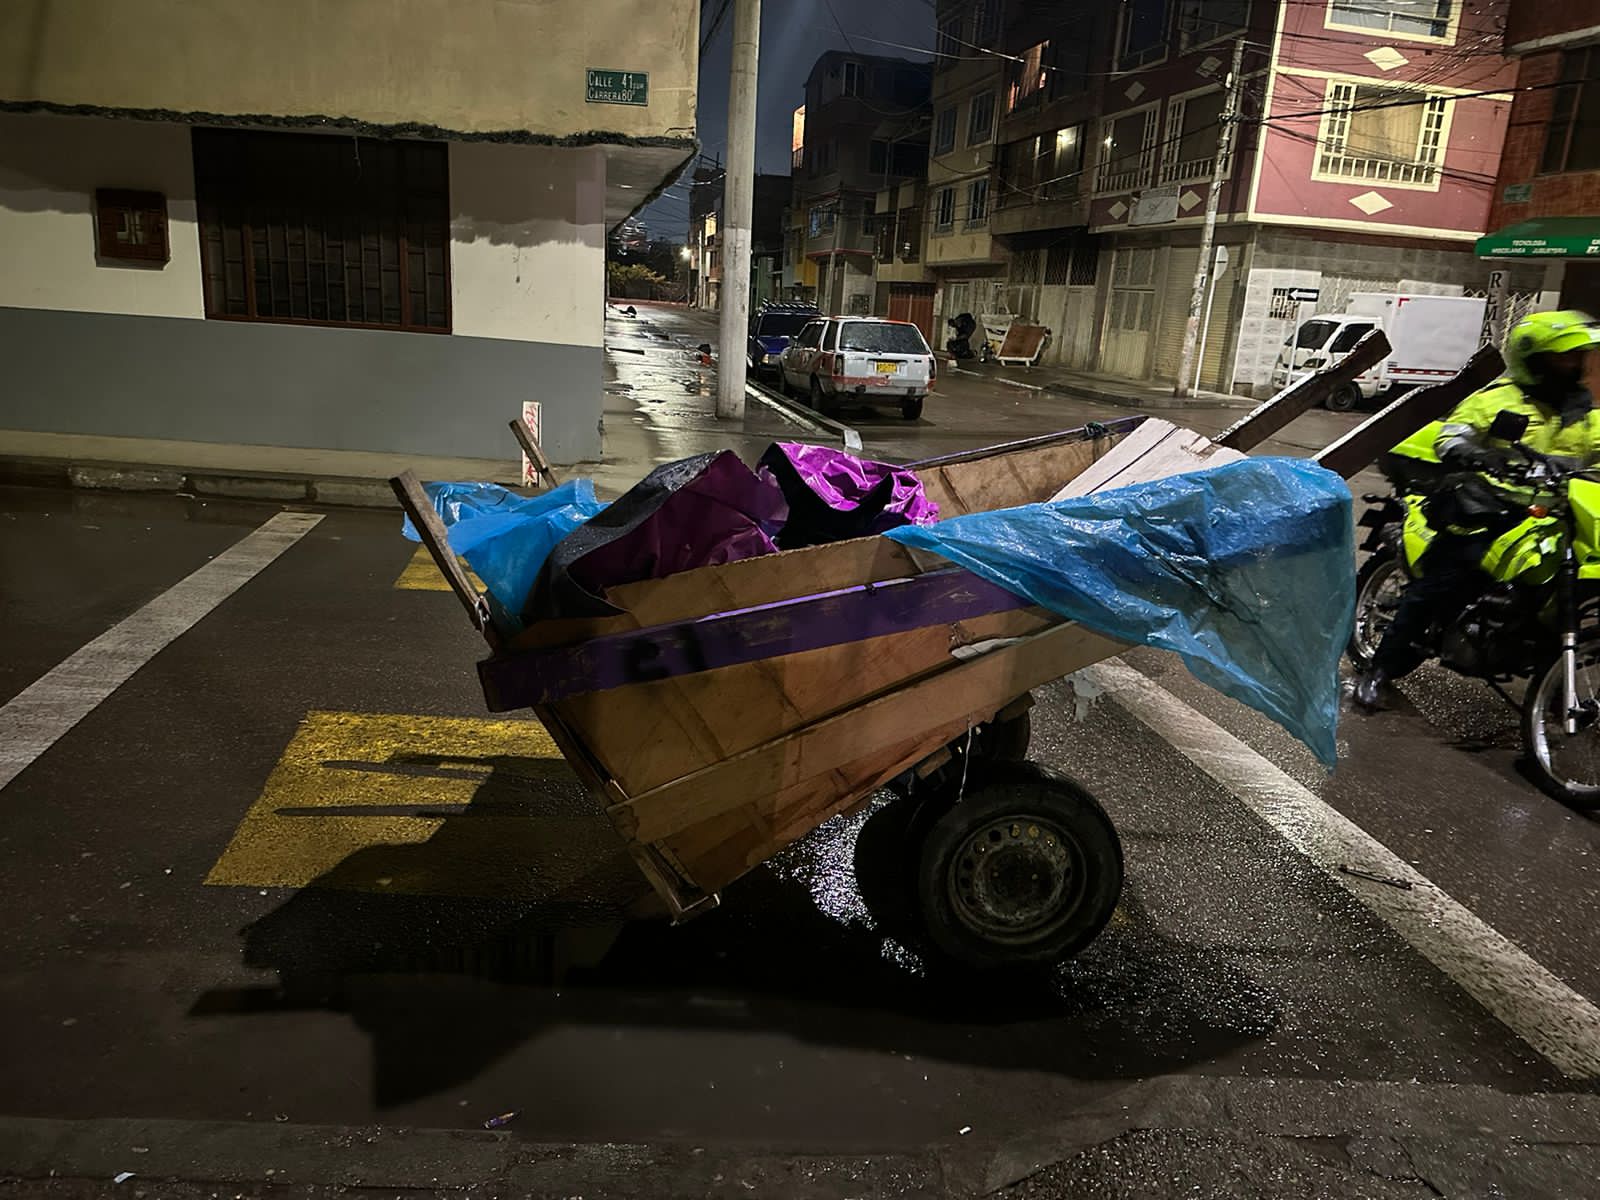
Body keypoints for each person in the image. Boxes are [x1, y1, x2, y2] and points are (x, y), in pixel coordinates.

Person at [1354, 309, 1600, 710]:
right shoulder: (1498, 400)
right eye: (1564, 357)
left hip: (1553, 514)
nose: (1574, 365)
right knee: (1439, 583)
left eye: (1578, 357)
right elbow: (1452, 437)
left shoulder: (1584, 412)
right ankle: (1379, 671)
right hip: (1487, 509)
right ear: (1535, 358)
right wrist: (1480, 455)